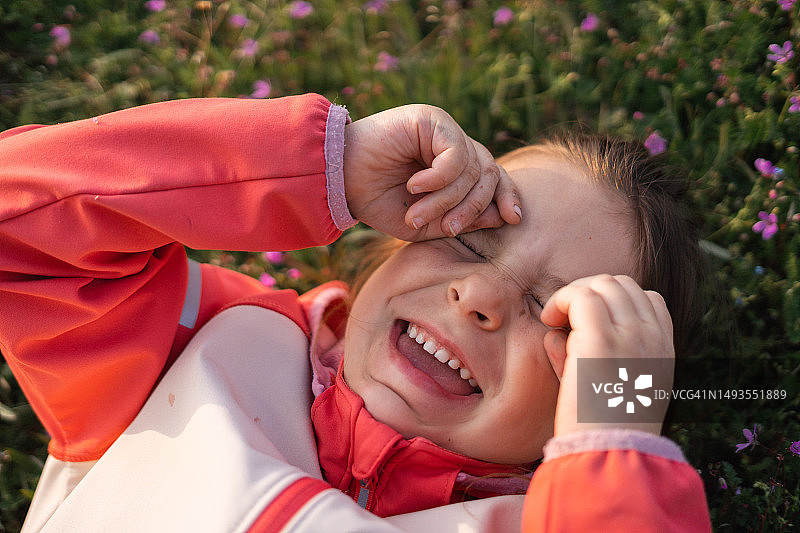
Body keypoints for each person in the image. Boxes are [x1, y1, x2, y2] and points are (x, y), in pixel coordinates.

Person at [0, 93, 711, 532]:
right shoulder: (195, 348)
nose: (482, 298)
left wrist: (615, 447)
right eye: (465, 237)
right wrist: (324, 168)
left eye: (554, 313)